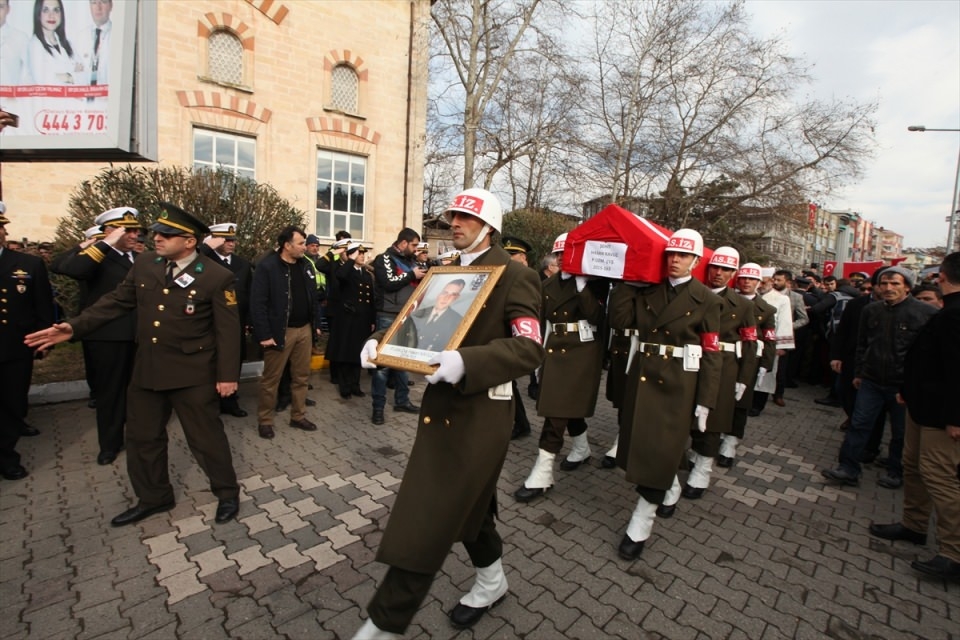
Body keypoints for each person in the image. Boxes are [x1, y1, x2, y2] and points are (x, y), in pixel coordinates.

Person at [352, 188, 544, 639]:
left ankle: (381, 625)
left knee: (430, 516)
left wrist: (469, 362)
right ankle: (493, 582)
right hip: (441, 408)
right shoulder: (444, 272)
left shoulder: (516, 277)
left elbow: (528, 346)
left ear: (488, 227)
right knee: (471, 511)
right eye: (452, 215)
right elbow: (418, 328)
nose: (454, 223)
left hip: (479, 414)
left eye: (465, 218)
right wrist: (382, 344)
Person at [25, 202, 242, 526]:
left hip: (193, 373)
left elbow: (228, 331)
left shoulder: (216, 276)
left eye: (167, 235)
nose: (157, 238)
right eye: (157, 232)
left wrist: (227, 376)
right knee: (143, 438)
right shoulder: (145, 264)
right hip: (148, 370)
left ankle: (227, 493)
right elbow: (115, 302)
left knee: (205, 439)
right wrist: (74, 327)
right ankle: (154, 497)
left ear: (189, 241)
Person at [610, 229, 722, 560]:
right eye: (671, 254)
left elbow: (712, 353)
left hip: (679, 382)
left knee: (664, 445)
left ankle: (641, 520)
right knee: (643, 443)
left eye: (683, 256)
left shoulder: (708, 300)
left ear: (696, 261)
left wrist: (706, 399)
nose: (674, 260)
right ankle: (669, 483)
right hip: (643, 374)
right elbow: (620, 320)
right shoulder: (648, 291)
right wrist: (630, 281)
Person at [869, 253, 960, 580]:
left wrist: (955, 417)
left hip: (942, 415)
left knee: (941, 478)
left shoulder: (954, 315)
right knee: (914, 467)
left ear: (942, 277)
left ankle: (954, 553)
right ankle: (914, 524)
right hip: (921, 408)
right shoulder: (946, 312)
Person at [821, 266, 937, 488]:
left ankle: (896, 471)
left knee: (900, 433)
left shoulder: (925, 313)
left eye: (895, 284)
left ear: (907, 287)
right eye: (884, 284)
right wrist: (858, 372)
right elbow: (862, 344)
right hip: (871, 380)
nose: (888, 288)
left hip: (903, 385)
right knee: (859, 424)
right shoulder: (871, 310)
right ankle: (848, 468)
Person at [514, 232, 607, 503]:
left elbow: (597, 316)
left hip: (583, 352)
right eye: (560, 255)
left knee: (557, 410)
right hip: (555, 348)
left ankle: (542, 473)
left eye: (570, 253)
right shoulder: (550, 283)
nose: (565, 259)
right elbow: (541, 318)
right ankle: (581, 448)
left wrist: (581, 286)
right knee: (565, 405)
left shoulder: (595, 283)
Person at [50, 206, 142, 465]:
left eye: (137, 230)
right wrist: (103, 242)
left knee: (137, 391)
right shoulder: (97, 256)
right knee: (110, 393)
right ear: (111, 231)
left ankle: (138, 436)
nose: (136, 235)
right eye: (129, 231)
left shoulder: (138, 257)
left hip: (138, 335)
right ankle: (110, 444)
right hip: (107, 335)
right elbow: (71, 268)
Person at [683, 247, 757, 499]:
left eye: (726, 269)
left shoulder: (743, 306)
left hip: (724, 368)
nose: (719, 273)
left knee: (712, 422)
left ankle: (703, 468)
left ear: (733, 273)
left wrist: (744, 379)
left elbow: (750, 344)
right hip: (692, 362)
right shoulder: (694, 295)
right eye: (715, 267)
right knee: (687, 415)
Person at [249, 226, 324, 439]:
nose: (304, 246)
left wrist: (316, 323)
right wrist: (264, 334)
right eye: (300, 243)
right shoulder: (268, 267)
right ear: (287, 245)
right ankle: (265, 420)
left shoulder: (305, 266)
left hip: (304, 330)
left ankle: (298, 416)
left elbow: (313, 297)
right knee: (271, 379)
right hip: (280, 331)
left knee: (301, 377)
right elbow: (258, 303)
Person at [1, 204, 54, 480]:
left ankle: (8, 457)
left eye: (0, 227)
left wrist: (45, 338)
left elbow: (43, 305)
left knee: (11, 404)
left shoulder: (27, 265)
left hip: (14, 346)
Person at [717, 262, 777, 468]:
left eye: (752, 279)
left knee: (740, 402)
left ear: (759, 282)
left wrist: (765, 364)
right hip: (725, 357)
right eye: (743, 278)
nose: (747, 283)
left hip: (749, 360)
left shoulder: (767, 309)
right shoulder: (723, 299)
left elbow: (770, 338)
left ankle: (730, 442)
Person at [370, 228, 427, 425]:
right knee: (383, 365)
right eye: (413, 245)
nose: (415, 249)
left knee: (403, 362)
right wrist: (411, 274)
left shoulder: (412, 261)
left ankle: (402, 400)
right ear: (403, 243)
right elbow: (388, 282)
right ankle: (378, 407)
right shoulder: (384, 258)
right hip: (388, 315)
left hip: (407, 315)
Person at [201, 222, 253, 418]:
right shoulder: (205, 260)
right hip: (210, 323)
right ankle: (211, 402)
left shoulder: (242, 264)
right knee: (211, 363)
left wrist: (248, 320)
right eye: (226, 239)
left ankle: (230, 400)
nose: (231, 243)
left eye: (233, 239)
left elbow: (248, 293)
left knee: (233, 359)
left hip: (235, 322)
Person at [328, 242, 375, 399]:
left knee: (358, 354)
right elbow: (340, 275)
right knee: (345, 354)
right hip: (348, 320)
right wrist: (350, 259)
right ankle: (345, 387)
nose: (361, 256)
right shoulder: (346, 272)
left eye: (363, 254)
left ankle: (356, 385)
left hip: (362, 320)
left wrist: (372, 319)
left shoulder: (366, 275)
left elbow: (371, 300)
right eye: (358, 253)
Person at [502, 235, 534, 439]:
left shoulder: (526, 276)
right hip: (504, 336)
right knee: (508, 384)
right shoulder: (506, 274)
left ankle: (521, 424)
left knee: (509, 384)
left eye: (512, 255)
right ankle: (520, 423)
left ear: (522, 257)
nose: (508, 259)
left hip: (519, 337)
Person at [26, 0, 83, 86]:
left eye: (56, 10)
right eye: (46, 10)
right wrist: (71, 76)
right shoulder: (34, 45)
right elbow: (44, 82)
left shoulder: (68, 44)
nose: (51, 15)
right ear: (38, 14)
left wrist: (62, 76)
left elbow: (84, 76)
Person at [410, 278, 465, 352]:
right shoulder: (417, 313)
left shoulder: (457, 321)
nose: (446, 298)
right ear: (438, 293)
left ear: (457, 298)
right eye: (445, 292)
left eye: (453, 295)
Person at [81, 0, 111, 102]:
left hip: (108, 105)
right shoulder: (80, 37)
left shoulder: (119, 37)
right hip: (83, 105)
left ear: (111, 5)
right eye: (94, 2)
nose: (98, 7)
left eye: (103, 2)